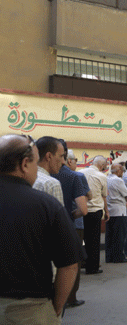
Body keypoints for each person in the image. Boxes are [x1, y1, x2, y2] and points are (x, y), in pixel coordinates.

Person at [0, 134, 85, 323]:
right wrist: (55, 308)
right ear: (24, 164)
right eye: (35, 164)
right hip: (27, 310)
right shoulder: (46, 205)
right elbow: (70, 264)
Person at [52, 144, 89, 309]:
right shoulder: (75, 177)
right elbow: (83, 208)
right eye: (74, 160)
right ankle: (70, 297)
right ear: (68, 159)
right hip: (72, 225)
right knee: (72, 260)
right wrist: (70, 216)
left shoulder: (39, 175)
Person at [80, 156, 109, 275]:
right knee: (93, 240)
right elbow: (104, 196)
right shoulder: (102, 176)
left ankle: (82, 262)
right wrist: (107, 211)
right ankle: (92, 267)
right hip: (95, 210)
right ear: (102, 166)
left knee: (82, 238)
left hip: (81, 209)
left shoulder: (80, 173)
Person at [105, 164, 127, 263]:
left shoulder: (107, 178)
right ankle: (118, 257)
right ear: (118, 170)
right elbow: (126, 194)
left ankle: (109, 256)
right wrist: (126, 200)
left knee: (110, 235)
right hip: (119, 210)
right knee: (119, 236)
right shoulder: (118, 180)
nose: (123, 173)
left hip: (110, 209)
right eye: (122, 170)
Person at [32, 136, 65, 205]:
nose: (63, 162)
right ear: (49, 156)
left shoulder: (26, 178)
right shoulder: (52, 184)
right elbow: (57, 215)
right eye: (61, 156)